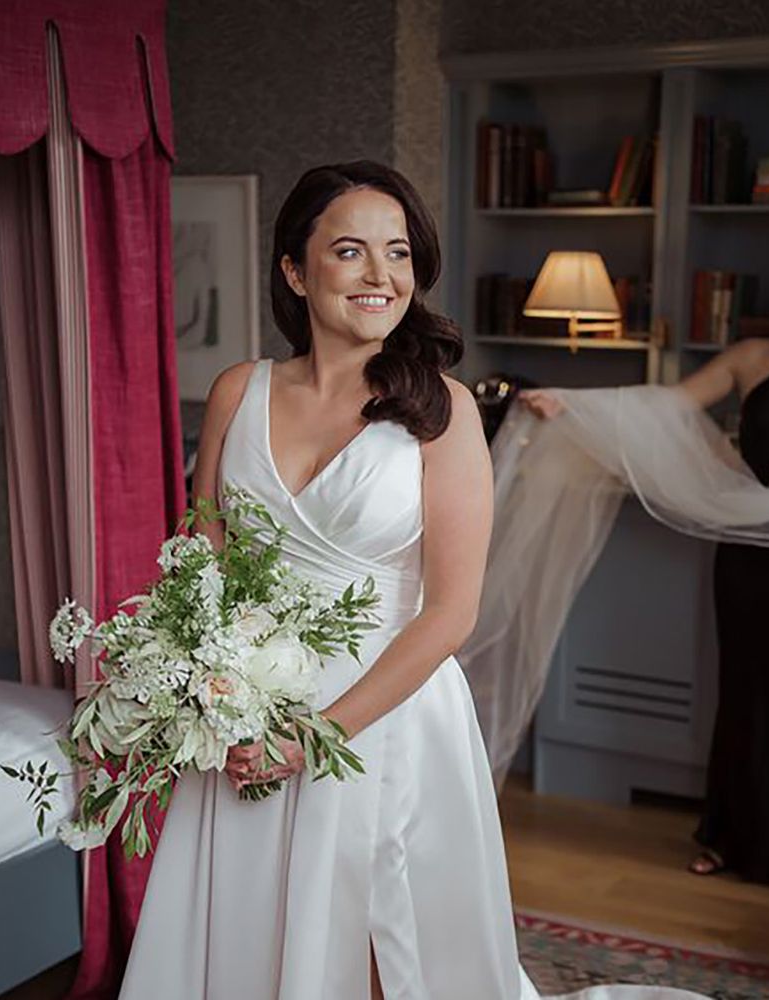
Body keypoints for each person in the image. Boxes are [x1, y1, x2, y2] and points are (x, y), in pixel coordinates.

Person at [118, 161, 550, 999]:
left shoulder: (442, 410)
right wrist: (211, 700)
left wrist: (311, 738)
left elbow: (452, 612)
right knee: (251, 928)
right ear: (294, 268)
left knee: (379, 942)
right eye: (350, 250)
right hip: (245, 712)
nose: (380, 275)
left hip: (385, 718)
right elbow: (199, 568)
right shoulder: (238, 392)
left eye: (398, 253)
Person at [520, 235, 769, 893]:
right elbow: (670, 404)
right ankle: (725, 837)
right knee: (741, 690)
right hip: (747, 545)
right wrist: (577, 403)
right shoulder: (751, 357)